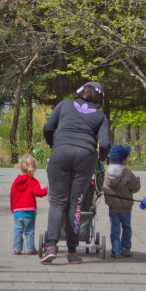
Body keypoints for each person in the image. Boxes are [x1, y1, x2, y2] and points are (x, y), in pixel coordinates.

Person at [40, 81, 111, 265]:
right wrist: (101, 158)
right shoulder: (101, 116)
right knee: (75, 203)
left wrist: (54, 145)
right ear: (99, 99)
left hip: (60, 152)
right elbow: (104, 144)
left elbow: (48, 128)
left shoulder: (64, 104)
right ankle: (72, 252)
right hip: (85, 157)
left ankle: (51, 247)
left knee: (57, 201)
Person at [104, 144, 141, 259]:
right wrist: (138, 181)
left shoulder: (106, 172)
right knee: (126, 227)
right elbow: (134, 188)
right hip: (126, 206)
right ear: (123, 159)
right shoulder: (127, 173)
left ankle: (116, 250)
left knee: (114, 228)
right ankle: (125, 248)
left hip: (112, 206)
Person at [10, 153, 48, 255]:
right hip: (29, 211)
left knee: (18, 230)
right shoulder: (33, 181)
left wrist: (12, 208)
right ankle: (30, 248)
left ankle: (17, 248)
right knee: (29, 231)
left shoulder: (16, 181)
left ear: (20, 167)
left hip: (18, 211)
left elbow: (12, 195)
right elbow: (38, 193)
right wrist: (47, 189)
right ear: (34, 168)